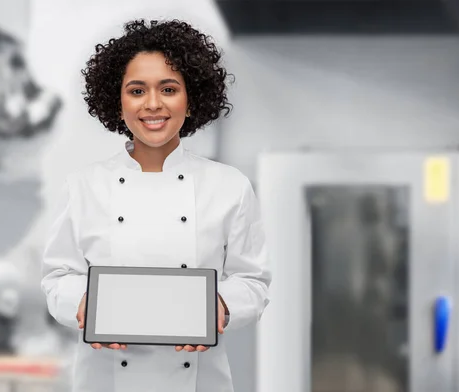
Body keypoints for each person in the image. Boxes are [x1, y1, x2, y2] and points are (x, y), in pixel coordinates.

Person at [41, 19, 271, 392]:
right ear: (117, 102)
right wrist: (84, 305)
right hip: (106, 379)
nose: (152, 104)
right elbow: (57, 279)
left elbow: (253, 282)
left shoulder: (230, 187)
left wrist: (220, 308)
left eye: (168, 88)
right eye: (136, 90)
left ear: (190, 97)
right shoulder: (82, 187)